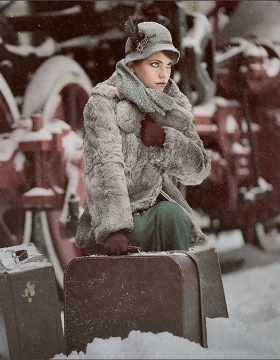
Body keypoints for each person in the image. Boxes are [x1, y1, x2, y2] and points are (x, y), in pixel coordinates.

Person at [75, 20, 211, 256]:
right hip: (117, 220)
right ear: (133, 65)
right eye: (155, 64)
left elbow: (199, 171)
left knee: (173, 215)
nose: (163, 74)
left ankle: (177, 288)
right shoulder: (104, 103)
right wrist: (114, 228)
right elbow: (104, 166)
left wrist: (166, 141)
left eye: (168, 66)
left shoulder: (173, 105)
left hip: (156, 211)